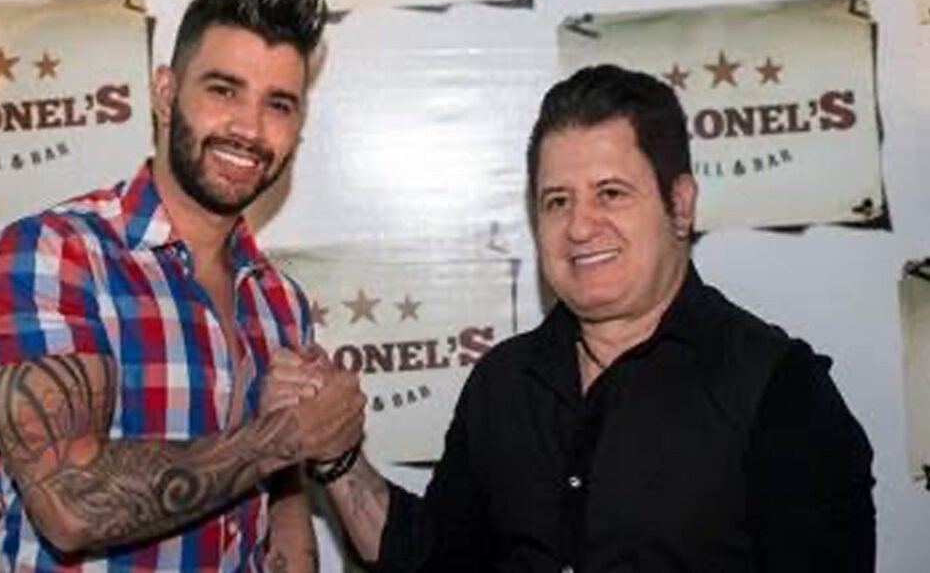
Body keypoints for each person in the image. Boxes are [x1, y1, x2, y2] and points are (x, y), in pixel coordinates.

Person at [271, 64, 876, 571]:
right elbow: (435, 558)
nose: (581, 226)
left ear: (681, 203)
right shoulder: (504, 384)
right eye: (557, 201)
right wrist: (339, 456)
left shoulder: (781, 392)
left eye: (611, 193)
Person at [0, 0, 366, 571]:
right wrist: (288, 435)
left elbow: (283, 510)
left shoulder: (278, 298)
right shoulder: (51, 255)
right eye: (224, 90)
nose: (250, 128)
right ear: (165, 92)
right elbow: (71, 503)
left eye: (278, 104)